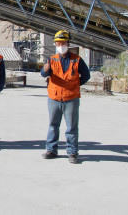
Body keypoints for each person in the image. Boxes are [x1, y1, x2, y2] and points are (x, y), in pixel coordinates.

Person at [41, 30, 90, 164]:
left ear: (68, 44)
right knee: (53, 125)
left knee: (72, 127)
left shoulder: (77, 60)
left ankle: (72, 152)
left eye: (63, 43)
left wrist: (75, 86)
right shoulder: (51, 59)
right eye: (58, 43)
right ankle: (51, 150)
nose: (60, 45)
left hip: (71, 99)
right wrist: (45, 70)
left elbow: (86, 75)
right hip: (54, 98)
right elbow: (44, 74)